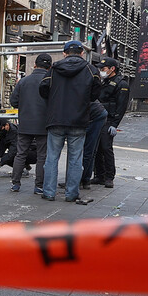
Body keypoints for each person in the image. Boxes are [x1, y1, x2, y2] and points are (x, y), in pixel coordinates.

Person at [39, 40, 100, 202]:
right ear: (81, 53)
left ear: (64, 53)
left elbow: (43, 89)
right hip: (79, 120)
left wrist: (54, 99)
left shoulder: (54, 69)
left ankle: (49, 192)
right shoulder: (91, 69)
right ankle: (72, 193)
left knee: (52, 157)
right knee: (75, 159)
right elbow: (95, 94)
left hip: (56, 119)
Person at [8, 53, 51, 193]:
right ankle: (39, 185)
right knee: (42, 155)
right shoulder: (51, 81)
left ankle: (15, 183)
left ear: (34, 65)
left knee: (21, 154)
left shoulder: (23, 81)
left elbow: (13, 101)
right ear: (49, 67)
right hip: (43, 125)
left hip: (25, 123)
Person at [92, 57, 131, 188]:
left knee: (106, 148)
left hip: (109, 120)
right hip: (98, 119)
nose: (101, 71)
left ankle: (109, 177)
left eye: (103, 69)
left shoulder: (121, 84)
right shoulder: (104, 82)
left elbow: (121, 106)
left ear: (112, 69)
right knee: (96, 149)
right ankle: (99, 175)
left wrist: (114, 124)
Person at [79, 101, 109, 190]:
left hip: (95, 116)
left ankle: (80, 179)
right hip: (96, 114)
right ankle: (84, 180)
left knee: (88, 150)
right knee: (90, 150)